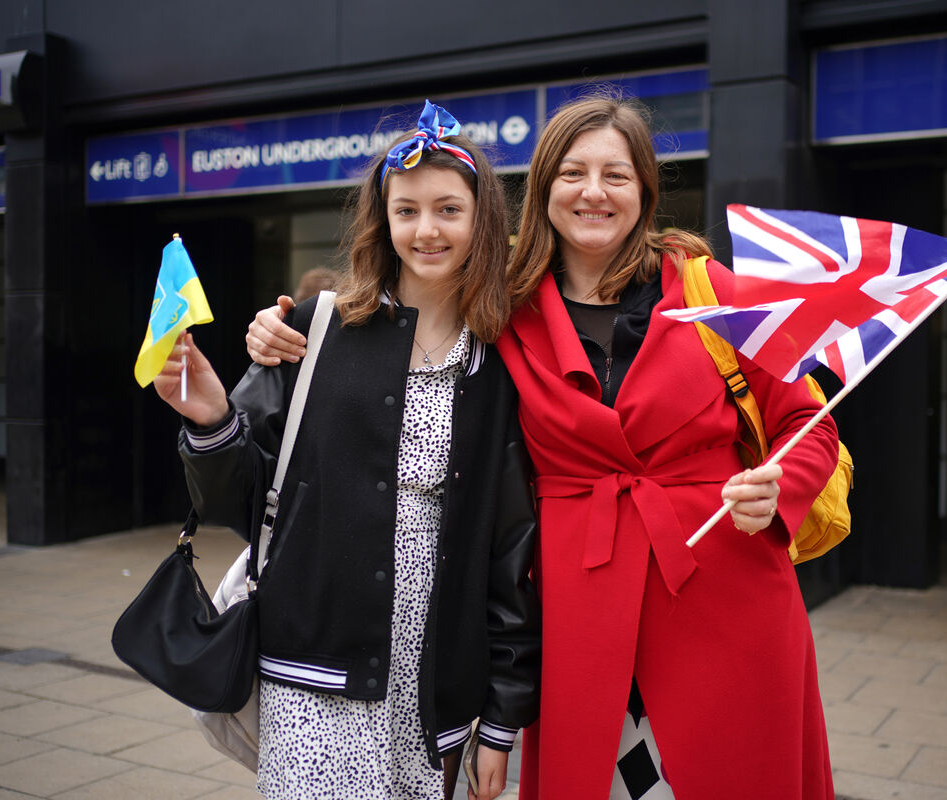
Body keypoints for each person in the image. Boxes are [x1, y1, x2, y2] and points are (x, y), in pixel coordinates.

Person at [246, 95, 838, 798]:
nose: (593, 192)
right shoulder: (503, 313)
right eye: (573, 173)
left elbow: (810, 421)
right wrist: (284, 331)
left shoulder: (718, 294)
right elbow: (404, 310)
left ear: (645, 190)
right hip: (579, 613)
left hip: (725, 596)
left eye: (616, 175)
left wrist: (780, 485)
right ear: (544, 191)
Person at [154, 101, 540, 800]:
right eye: (408, 210)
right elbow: (237, 500)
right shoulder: (313, 330)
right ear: (383, 219)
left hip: (435, 687)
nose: (427, 230)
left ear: (481, 221)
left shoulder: (501, 362)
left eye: (449, 210)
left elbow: (509, 550)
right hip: (315, 668)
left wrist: (502, 717)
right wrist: (211, 419)